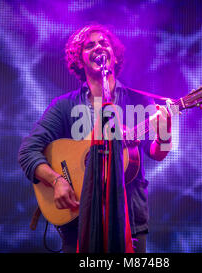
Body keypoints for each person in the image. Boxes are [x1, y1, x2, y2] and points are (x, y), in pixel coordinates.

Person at [18, 24, 172, 253]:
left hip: (129, 221)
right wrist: (57, 181)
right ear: (80, 60)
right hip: (79, 222)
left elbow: (158, 152)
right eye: (90, 46)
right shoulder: (64, 106)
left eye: (104, 43)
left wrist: (164, 130)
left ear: (114, 55)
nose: (99, 47)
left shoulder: (139, 102)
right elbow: (28, 152)